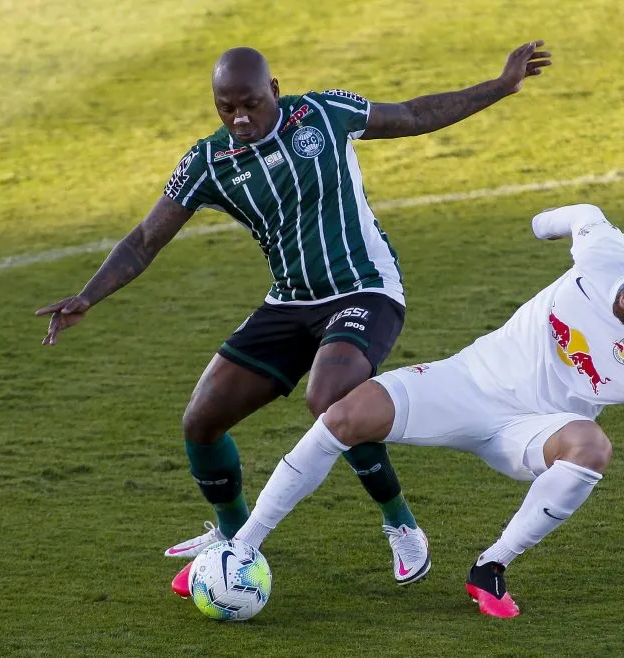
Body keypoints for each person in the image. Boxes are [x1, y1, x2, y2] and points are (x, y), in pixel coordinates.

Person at [34, 42, 553, 589]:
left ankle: (401, 523)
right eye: (226, 107)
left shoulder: (324, 115)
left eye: (251, 104)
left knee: (328, 396)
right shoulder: (208, 162)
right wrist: (88, 295)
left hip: (365, 290)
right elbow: (143, 240)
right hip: (290, 300)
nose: (240, 118)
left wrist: (499, 85)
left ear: (275, 90)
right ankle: (235, 542)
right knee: (201, 421)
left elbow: (414, 114)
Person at [222, 204, 624, 621]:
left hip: (530, 433)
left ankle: (490, 567)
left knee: (592, 446)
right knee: (344, 415)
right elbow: (582, 214)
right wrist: (542, 225)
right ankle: (241, 550)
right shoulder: (604, 256)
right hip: (466, 383)